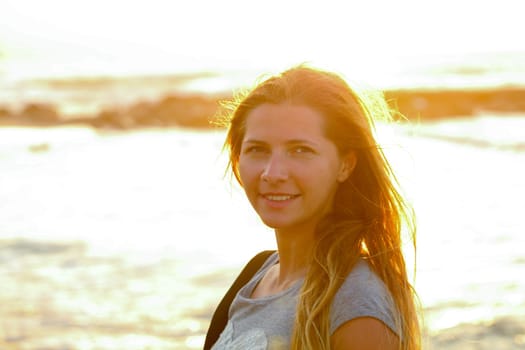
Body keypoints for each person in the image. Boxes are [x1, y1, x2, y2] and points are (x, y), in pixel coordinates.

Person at [205, 65, 421, 350]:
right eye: (257, 149)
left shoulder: (355, 305)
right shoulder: (257, 274)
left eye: (300, 150)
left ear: (346, 164)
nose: (273, 173)